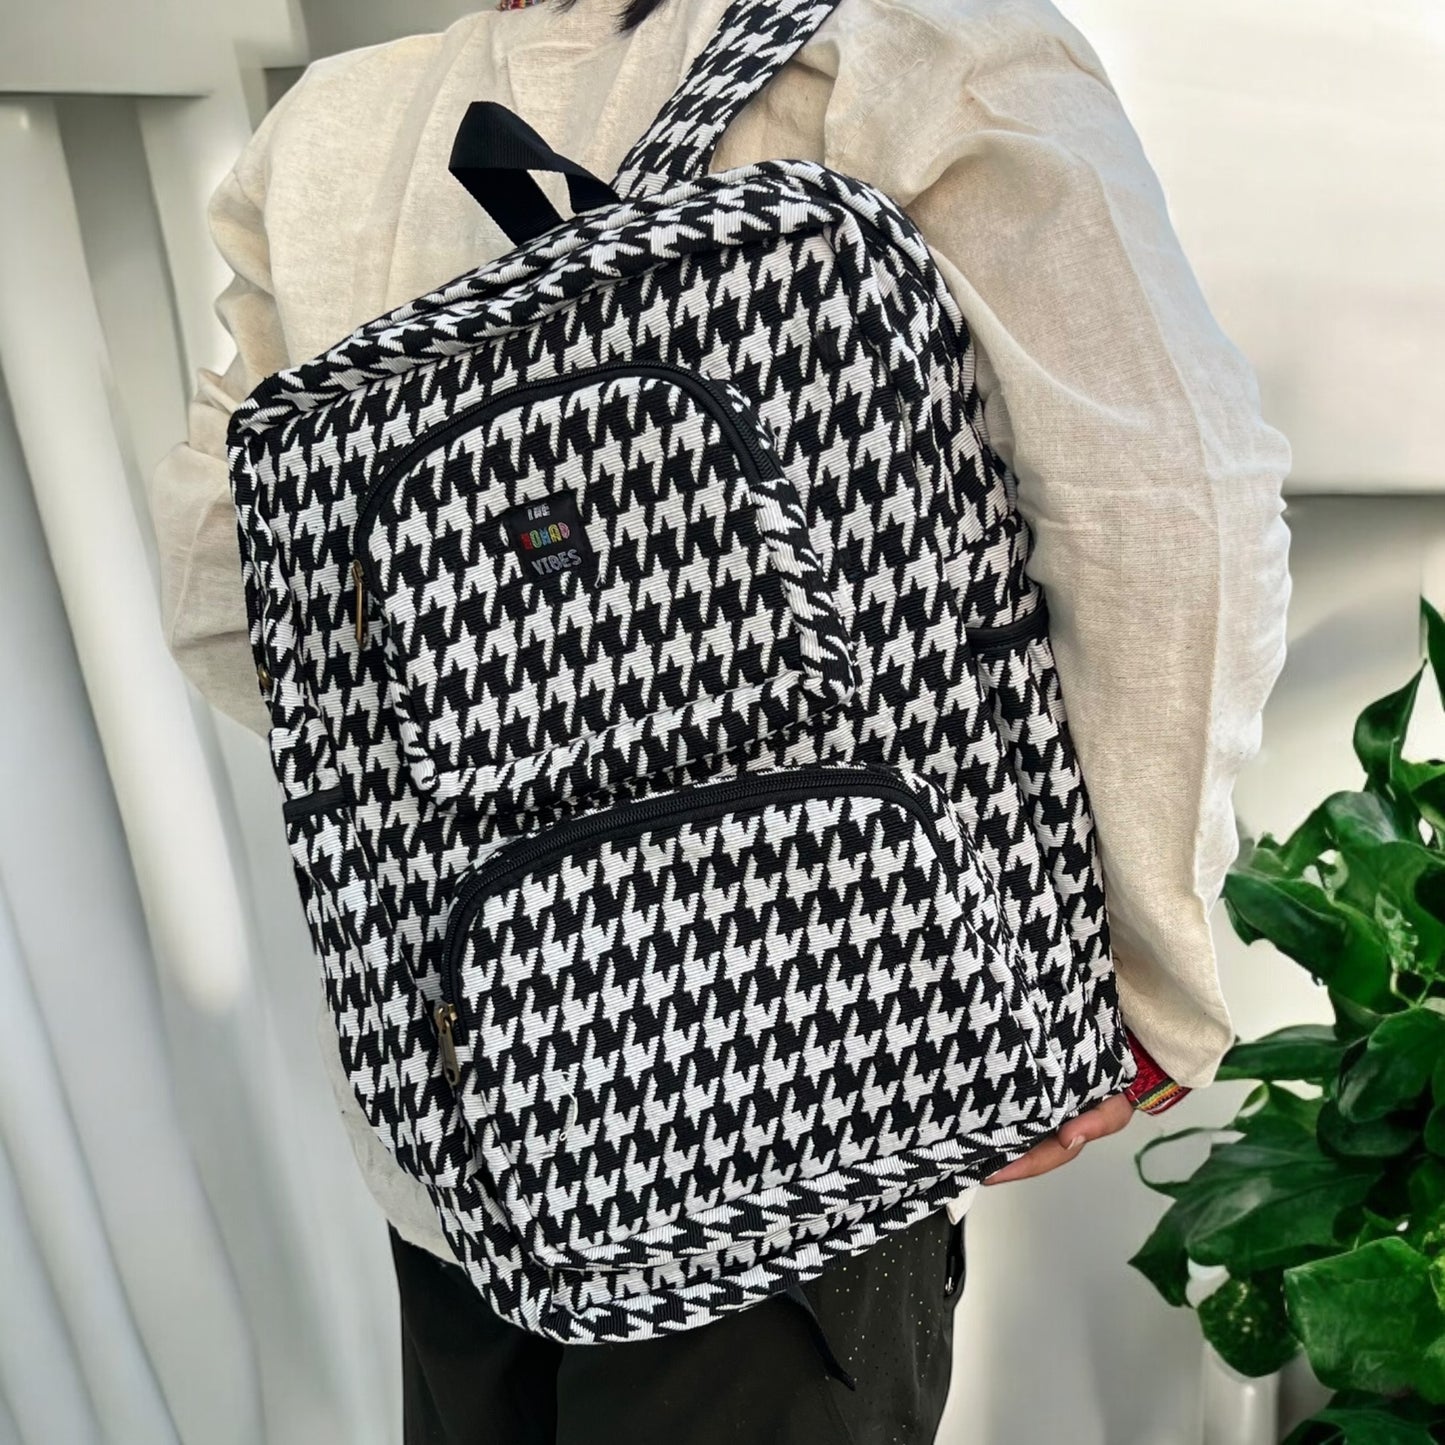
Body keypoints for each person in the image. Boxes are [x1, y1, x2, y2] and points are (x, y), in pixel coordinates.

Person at [148, 0, 1292, 1439]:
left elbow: (224, 598)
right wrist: (1139, 979)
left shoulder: (323, 134)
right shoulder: (904, 51)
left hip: (472, 1113)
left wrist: (509, 741)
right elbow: (1163, 521)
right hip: (810, 1077)